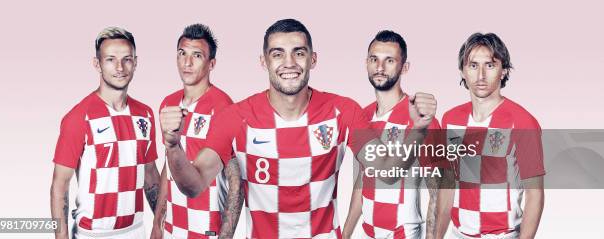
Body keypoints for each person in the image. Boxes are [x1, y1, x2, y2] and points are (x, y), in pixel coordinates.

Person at [161, 19, 437, 238]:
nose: (289, 63)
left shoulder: (343, 111)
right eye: (278, 54)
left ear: (313, 59)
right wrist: (173, 146)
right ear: (264, 62)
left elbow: (384, 173)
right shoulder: (236, 117)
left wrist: (420, 129)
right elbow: (193, 186)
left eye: (299, 53)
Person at [50, 27, 160, 238]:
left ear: (136, 63)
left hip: (136, 231)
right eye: (110, 59)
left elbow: (150, 175)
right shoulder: (78, 118)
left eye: (127, 59)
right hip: (92, 234)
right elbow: (60, 185)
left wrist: (161, 224)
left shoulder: (145, 114)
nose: (120, 67)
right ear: (97, 64)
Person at [435, 33, 545, 239]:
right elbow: (447, 186)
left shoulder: (522, 122)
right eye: (473, 65)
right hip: (458, 234)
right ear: (463, 71)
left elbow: (535, 195)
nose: (481, 75)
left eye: (490, 65)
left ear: (503, 71)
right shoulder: (450, 119)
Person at [343, 30, 446, 239]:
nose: (380, 68)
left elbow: (439, 192)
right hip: (367, 232)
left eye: (389, 60)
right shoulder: (362, 116)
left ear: (404, 67)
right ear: (366, 63)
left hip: (403, 233)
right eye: (374, 59)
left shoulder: (422, 119)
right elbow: (363, 179)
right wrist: (345, 234)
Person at [150, 23, 243, 239]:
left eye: (197, 55)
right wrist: (157, 222)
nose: (187, 62)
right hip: (173, 229)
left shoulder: (224, 107)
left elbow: (236, 181)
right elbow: (169, 165)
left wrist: (226, 236)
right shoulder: (169, 103)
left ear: (211, 64)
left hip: (207, 230)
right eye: (182, 53)